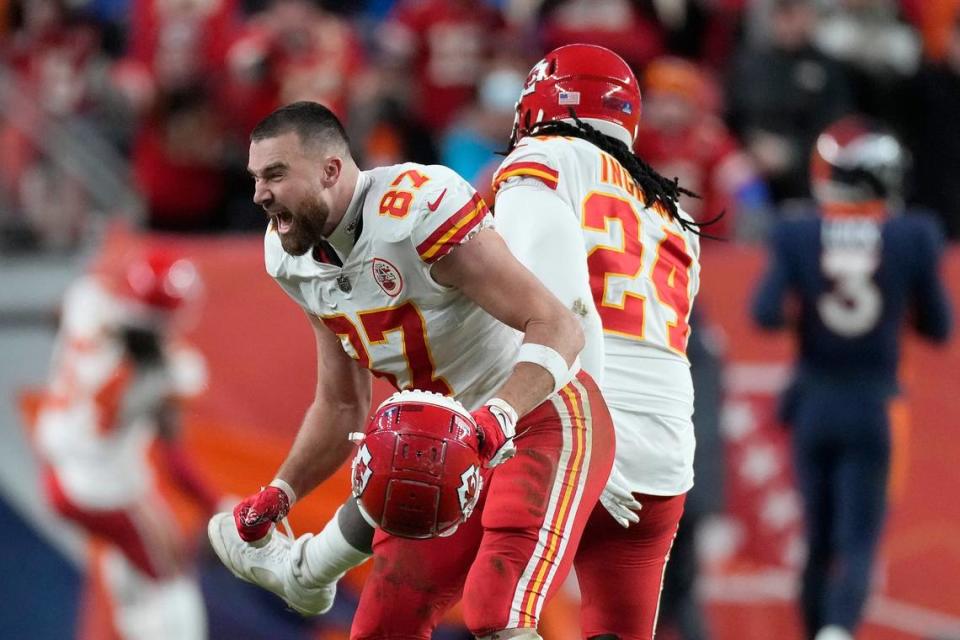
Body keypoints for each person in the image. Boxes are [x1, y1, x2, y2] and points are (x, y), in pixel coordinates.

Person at [205, 100, 615, 639]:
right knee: (381, 629)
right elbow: (341, 405)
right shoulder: (292, 258)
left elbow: (558, 327)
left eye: (276, 174)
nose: (259, 194)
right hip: (441, 449)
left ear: (331, 170)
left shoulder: (415, 211)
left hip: (538, 418)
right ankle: (306, 570)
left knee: (499, 615)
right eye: (256, 177)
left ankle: (308, 568)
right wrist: (281, 493)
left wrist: (493, 422)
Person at [489, 43, 704, 640]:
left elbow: (563, 305)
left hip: (578, 414)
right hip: (666, 449)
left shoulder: (546, 157)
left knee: (498, 611)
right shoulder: (673, 208)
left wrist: (596, 428)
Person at [751, 115, 953, 640]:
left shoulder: (798, 231)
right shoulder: (912, 234)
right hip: (873, 403)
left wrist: (812, 306)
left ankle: (820, 630)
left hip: (814, 400)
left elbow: (765, 313)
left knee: (817, 542)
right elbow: (939, 325)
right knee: (859, 542)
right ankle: (838, 630)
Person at [34, 249, 217, 640]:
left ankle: (134, 621)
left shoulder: (87, 301)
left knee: (136, 555)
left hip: (57, 468)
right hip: (101, 489)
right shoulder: (174, 373)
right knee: (171, 573)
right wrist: (216, 506)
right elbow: (177, 462)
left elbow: (64, 316)